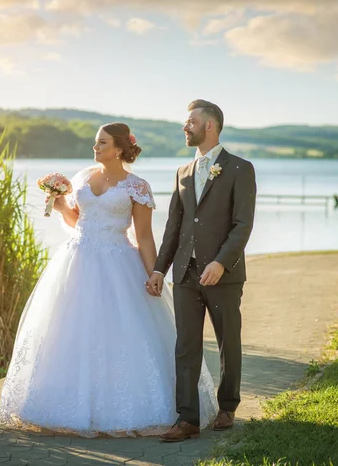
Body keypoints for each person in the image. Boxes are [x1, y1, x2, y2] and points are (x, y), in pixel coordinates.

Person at [0, 122, 217, 437]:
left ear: (119, 148)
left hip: (118, 264)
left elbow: (143, 236)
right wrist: (61, 206)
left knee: (120, 333)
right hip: (77, 260)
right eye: (95, 142)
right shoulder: (84, 178)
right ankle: (63, 405)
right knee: (69, 331)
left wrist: (155, 272)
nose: (95, 148)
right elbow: (80, 221)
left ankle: (123, 410)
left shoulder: (137, 186)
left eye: (101, 143)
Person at [147, 100, 257, 442]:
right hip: (185, 273)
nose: (185, 127)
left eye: (190, 121)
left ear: (210, 125)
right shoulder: (182, 172)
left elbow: (242, 225)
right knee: (186, 346)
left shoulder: (240, 168)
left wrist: (221, 262)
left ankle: (227, 407)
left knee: (228, 342)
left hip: (223, 273)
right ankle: (187, 419)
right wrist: (159, 270)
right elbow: (173, 227)